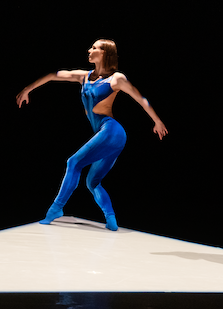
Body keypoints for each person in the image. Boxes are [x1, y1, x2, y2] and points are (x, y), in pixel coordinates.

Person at [16, 39, 168, 231]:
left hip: (111, 130)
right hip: (108, 136)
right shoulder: (84, 76)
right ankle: (111, 220)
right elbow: (54, 75)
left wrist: (157, 121)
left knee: (73, 162)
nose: (89, 50)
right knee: (92, 182)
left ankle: (56, 209)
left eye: (95, 48)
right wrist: (28, 89)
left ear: (105, 53)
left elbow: (141, 98)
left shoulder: (116, 79)